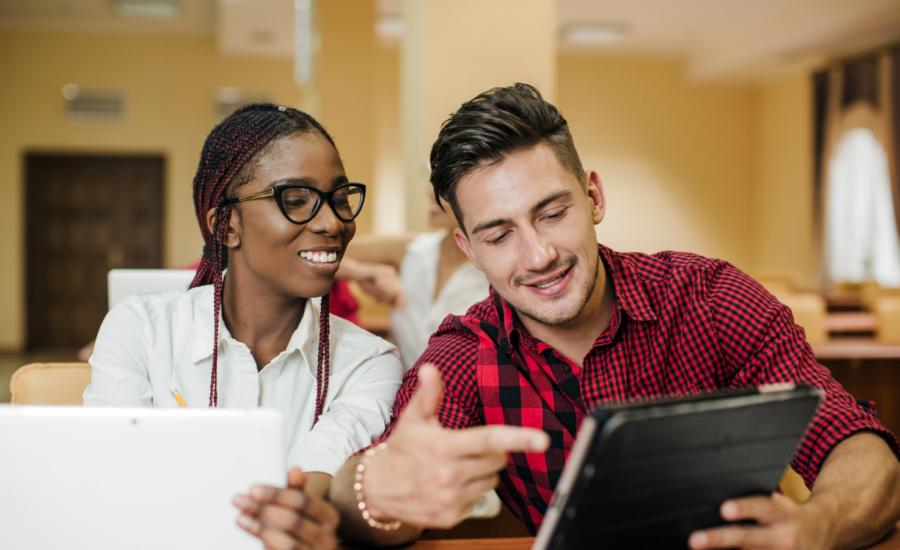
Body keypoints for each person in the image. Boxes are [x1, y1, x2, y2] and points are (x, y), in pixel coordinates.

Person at [286, 83, 898, 548]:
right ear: (468, 249)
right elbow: (362, 492)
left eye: (552, 213)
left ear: (594, 197)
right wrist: (377, 494)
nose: (539, 254)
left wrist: (814, 526)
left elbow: (863, 452)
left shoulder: (711, 299)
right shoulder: (463, 355)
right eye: (499, 235)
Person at [83, 104, 404, 550]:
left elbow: (320, 472)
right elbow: (113, 481)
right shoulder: (141, 329)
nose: (333, 222)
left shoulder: (370, 362)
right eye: (295, 201)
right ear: (226, 225)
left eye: (341, 199)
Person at [339, 192, 490, 371]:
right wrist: (359, 272)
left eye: (446, 186)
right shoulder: (410, 250)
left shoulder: (497, 271)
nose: (431, 193)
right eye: (432, 179)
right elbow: (314, 256)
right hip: (399, 394)